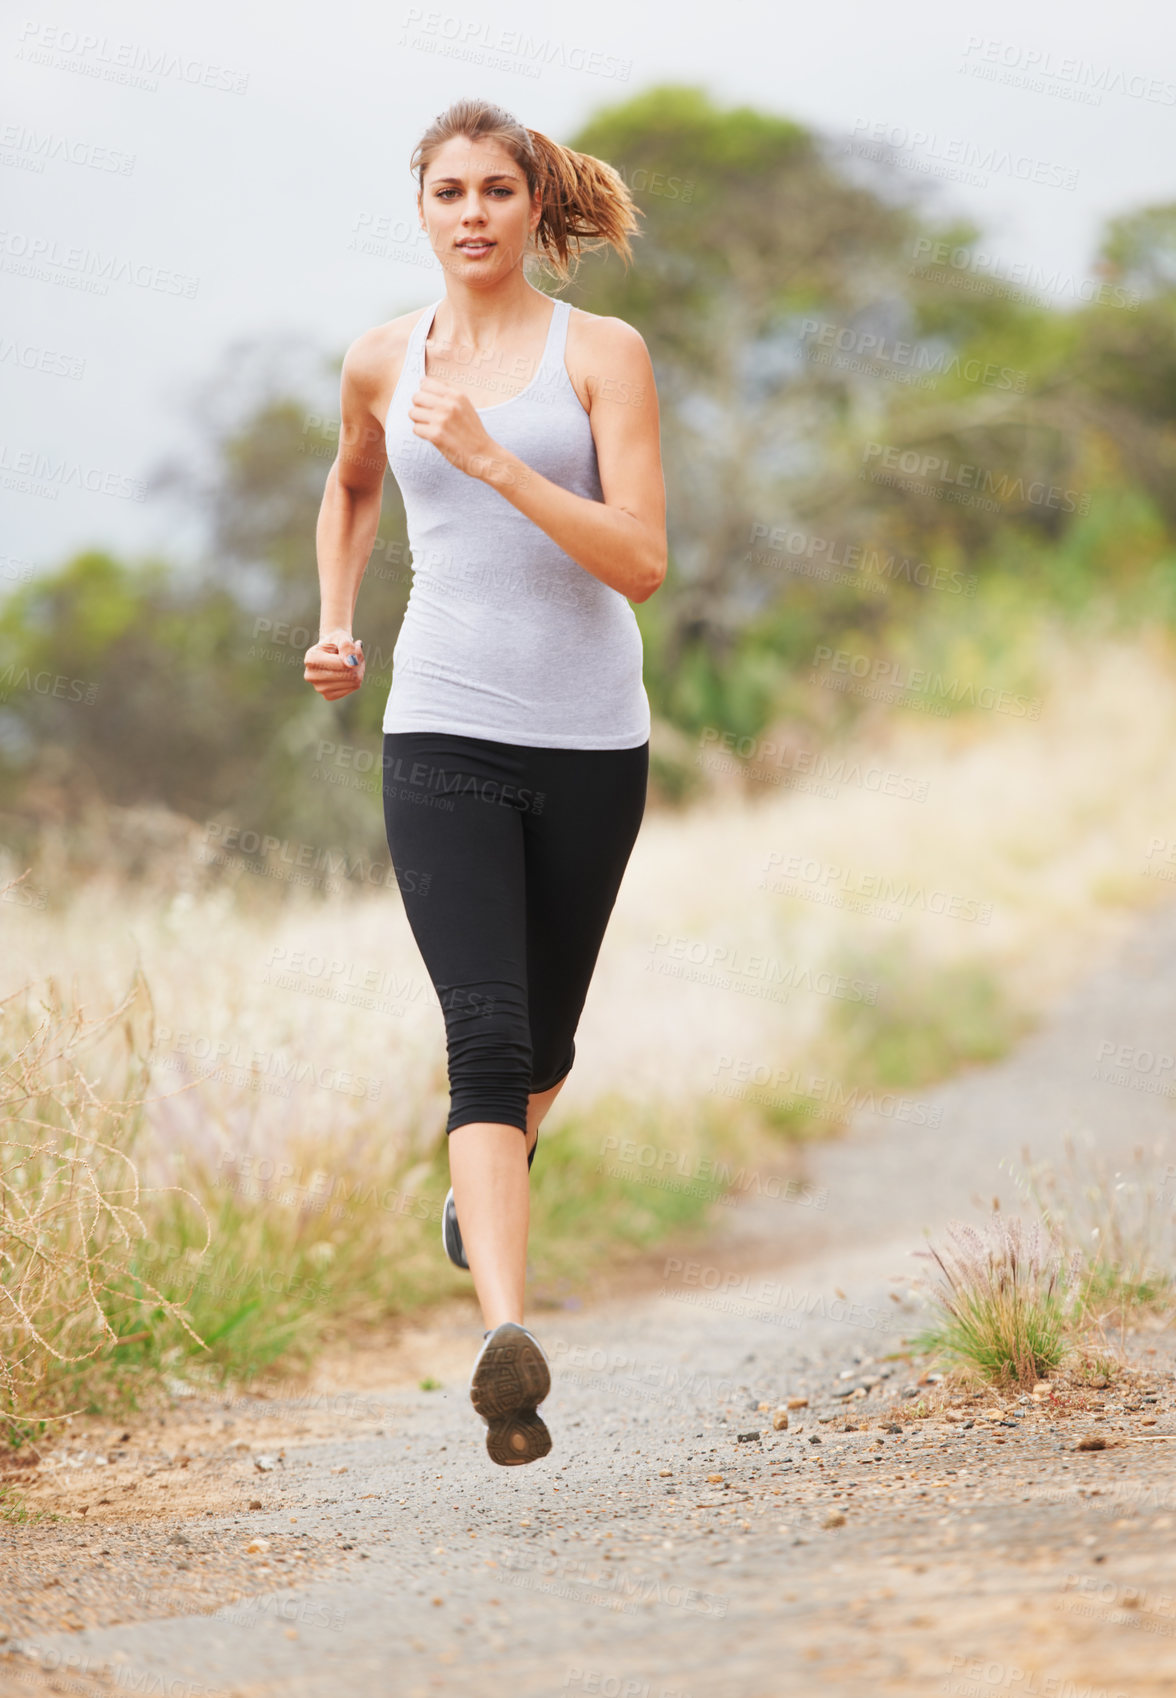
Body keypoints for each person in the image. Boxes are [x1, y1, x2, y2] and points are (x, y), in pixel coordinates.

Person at [303, 98, 666, 1467]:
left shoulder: (603, 356)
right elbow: (348, 489)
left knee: (547, 1050)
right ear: (422, 209)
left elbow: (638, 559)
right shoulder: (381, 360)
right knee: (490, 1037)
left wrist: (490, 458)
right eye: (447, 191)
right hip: (441, 730)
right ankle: (506, 1341)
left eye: (495, 191)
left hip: (589, 743)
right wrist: (340, 618)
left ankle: (484, 1190)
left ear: (533, 206)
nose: (471, 212)